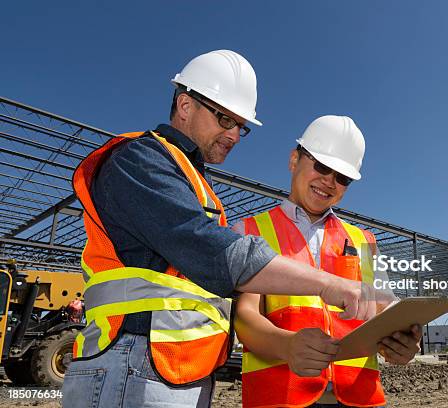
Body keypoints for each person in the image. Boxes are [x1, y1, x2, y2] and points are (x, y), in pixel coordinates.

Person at [62, 51, 378, 408]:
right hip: (133, 359)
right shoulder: (141, 160)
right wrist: (329, 285)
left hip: (174, 367)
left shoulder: (194, 181)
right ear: (184, 105)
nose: (234, 135)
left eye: (240, 126)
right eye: (225, 119)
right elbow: (212, 251)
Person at [234, 115, 422, 408]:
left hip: (359, 397)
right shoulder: (251, 231)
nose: (329, 182)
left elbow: (382, 308)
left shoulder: (364, 241)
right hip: (282, 396)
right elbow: (244, 317)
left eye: (342, 177)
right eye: (321, 167)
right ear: (294, 160)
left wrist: (400, 342)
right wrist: (287, 346)